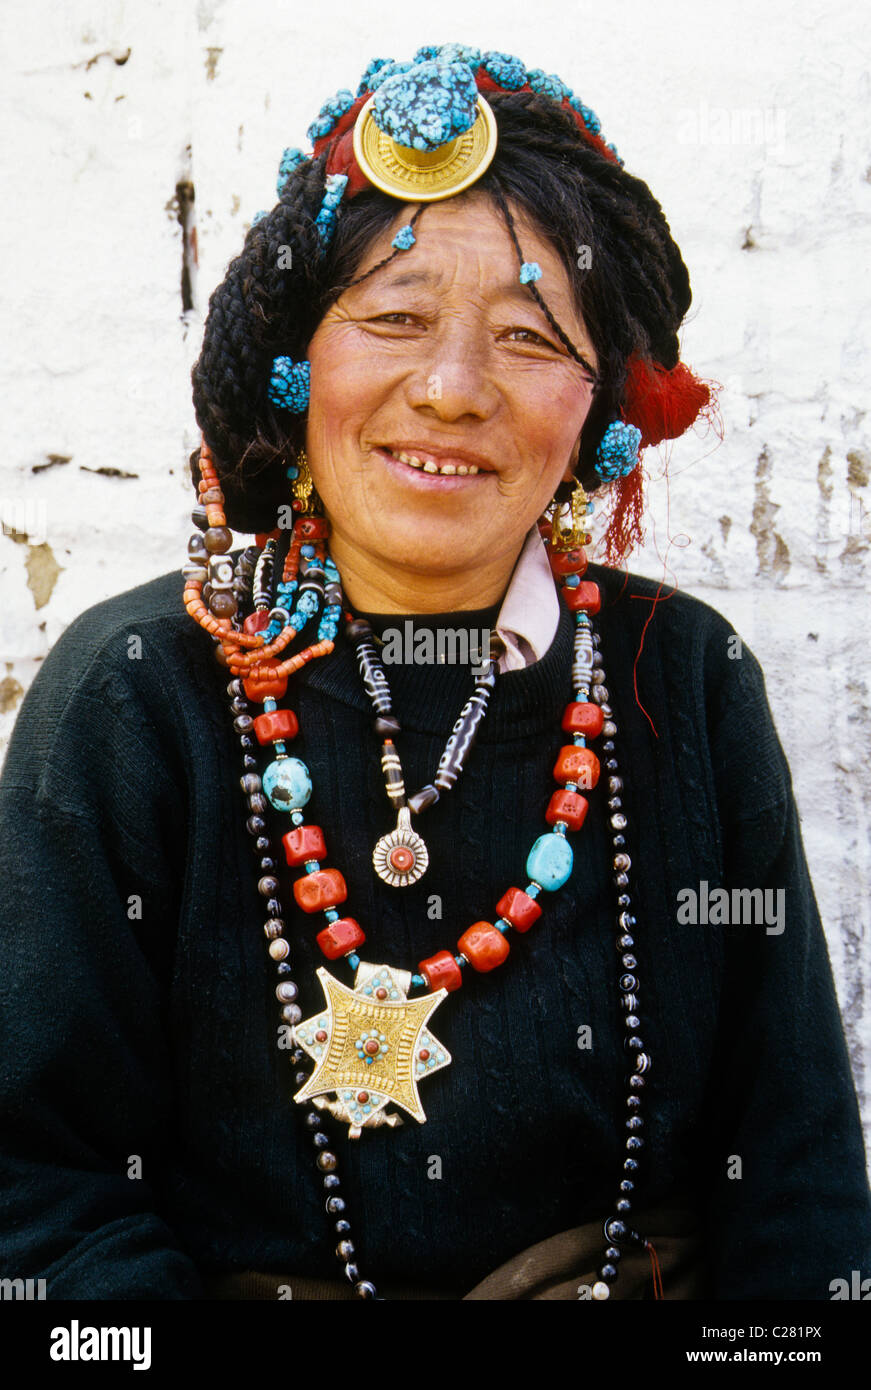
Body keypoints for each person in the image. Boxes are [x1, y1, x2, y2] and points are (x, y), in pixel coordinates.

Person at [1, 42, 869, 1303]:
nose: (453, 389)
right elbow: (37, 1200)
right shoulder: (136, 691)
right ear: (293, 365)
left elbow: (793, 1181)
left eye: (526, 335)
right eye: (395, 318)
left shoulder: (679, 678)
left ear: (597, 408)